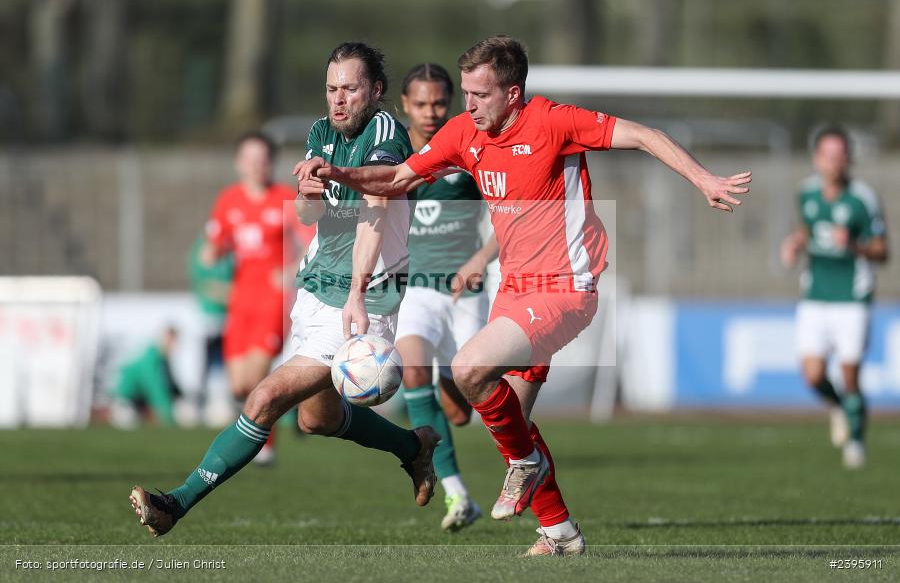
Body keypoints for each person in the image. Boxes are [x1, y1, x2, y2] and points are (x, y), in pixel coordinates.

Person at [296, 35, 751, 556]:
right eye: (464, 93)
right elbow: (398, 175)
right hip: (514, 289)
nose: (466, 106)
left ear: (512, 94)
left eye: (479, 95)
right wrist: (338, 173)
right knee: (513, 423)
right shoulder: (465, 132)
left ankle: (527, 467)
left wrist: (703, 179)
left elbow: (646, 135)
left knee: (469, 371)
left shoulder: (555, 121)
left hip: (567, 287)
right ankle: (560, 531)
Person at [129, 42, 440, 538]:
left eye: (351, 89)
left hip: (364, 299)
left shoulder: (385, 132)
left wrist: (358, 294)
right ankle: (413, 447)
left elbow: (377, 203)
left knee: (265, 396)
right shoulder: (321, 132)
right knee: (317, 419)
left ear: (376, 91)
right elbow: (308, 215)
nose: (338, 100)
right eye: (331, 89)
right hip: (317, 291)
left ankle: (176, 503)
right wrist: (308, 196)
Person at [396, 63, 499, 531]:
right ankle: (456, 496)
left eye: (439, 102)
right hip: (415, 287)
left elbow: (511, 216)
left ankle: (449, 384)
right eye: (421, 104)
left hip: (464, 290)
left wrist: (480, 258)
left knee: (461, 411)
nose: (431, 111)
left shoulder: (471, 148)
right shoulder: (391, 154)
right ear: (405, 106)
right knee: (413, 367)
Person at [201, 131, 315, 465]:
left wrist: (291, 268)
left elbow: (310, 241)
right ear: (239, 163)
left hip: (273, 299)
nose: (256, 166)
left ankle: (266, 446)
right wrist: (212, 252)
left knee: (254, 378)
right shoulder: (228, 200)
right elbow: (215, 242)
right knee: (238, 387)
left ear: (271, 163)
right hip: (240, 300)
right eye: (249, 159)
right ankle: (288, 404)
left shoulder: (284, 197)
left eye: (262, 159)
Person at [780, 126, 888, 469]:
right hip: (815, 295)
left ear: (849, 159)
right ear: (816, 159)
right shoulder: (807, 193)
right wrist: (794, 244)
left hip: (852, 298)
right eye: (828, 155)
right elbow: (806, 231)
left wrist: (854, 245)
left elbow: (883, 250)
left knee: (850, 375)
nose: (834, 162)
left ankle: (856, 441)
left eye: (840, 155)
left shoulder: (862, 198)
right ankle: (840, 407)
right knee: (812, 375)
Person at [187, 233, 234, 416]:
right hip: (206, 315)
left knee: (223, 360)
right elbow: (207, 285)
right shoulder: (203, 245)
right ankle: (195, 399)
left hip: (227, 316)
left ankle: (219, 399)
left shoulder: (232, 247)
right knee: (200, 358)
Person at [111, 326, 181, 427]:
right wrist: (168, 417)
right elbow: (154, 388)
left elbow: (169, 385)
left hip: (138, 402)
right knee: (128, 421)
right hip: (126, 402)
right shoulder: (150, 358)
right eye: (170, 340)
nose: (172, 345)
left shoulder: (160, 359)